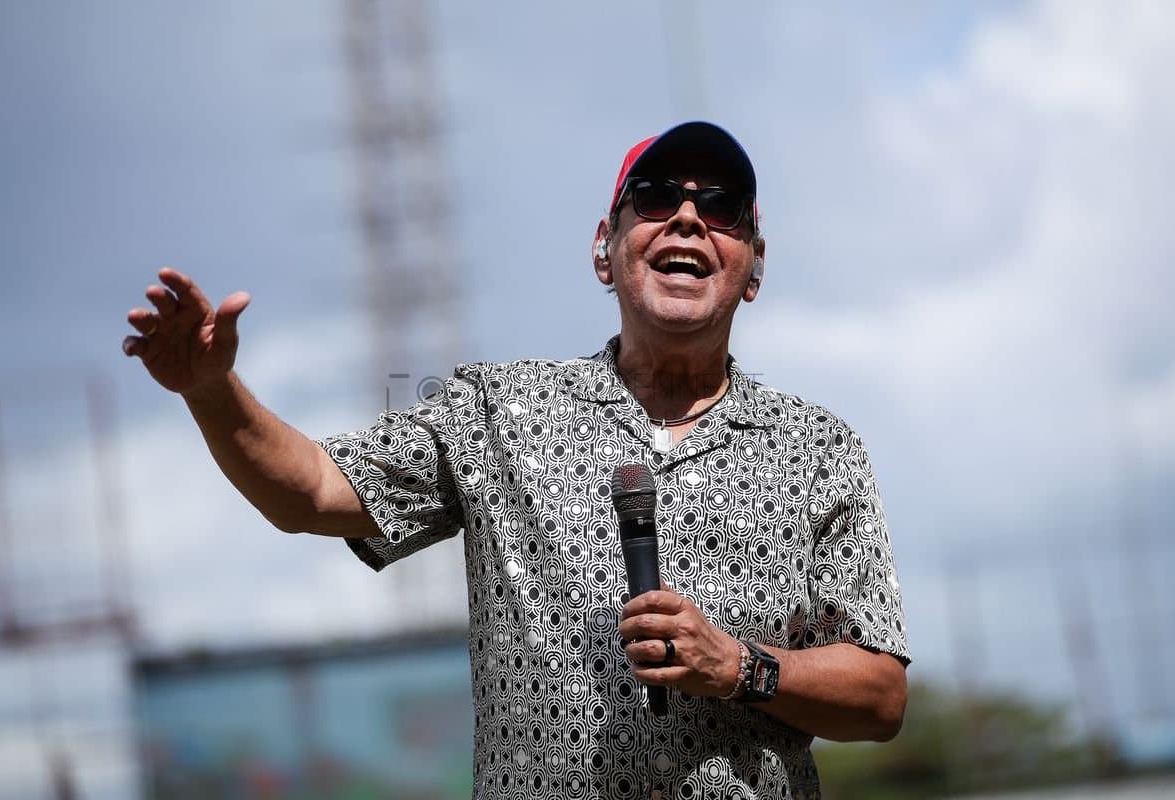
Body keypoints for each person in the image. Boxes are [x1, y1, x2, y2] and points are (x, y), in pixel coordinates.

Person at [123, 121, 910, 799]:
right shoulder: (500, 412)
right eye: (657, 197)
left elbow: (879, 696)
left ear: (755, 267)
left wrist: (740, 665)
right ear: (605, 252)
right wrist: (211, 390)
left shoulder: (817, 449)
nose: (688, 219)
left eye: (721, 207)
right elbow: (314, 492)